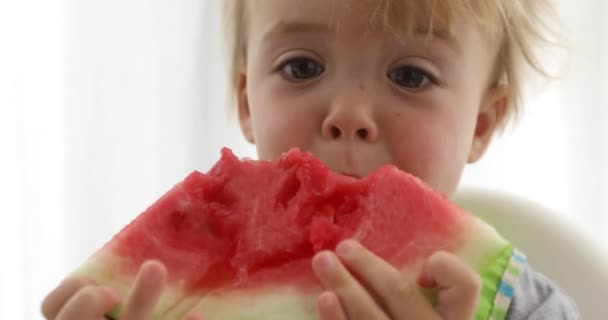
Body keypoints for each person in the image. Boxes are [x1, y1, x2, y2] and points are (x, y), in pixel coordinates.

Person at [41, 0, 579, 319]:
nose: (347, 113)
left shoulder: (520, 306)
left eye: (411, 76)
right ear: (248, 103)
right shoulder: (164, 292)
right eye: (301, 67)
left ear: (480, 124)